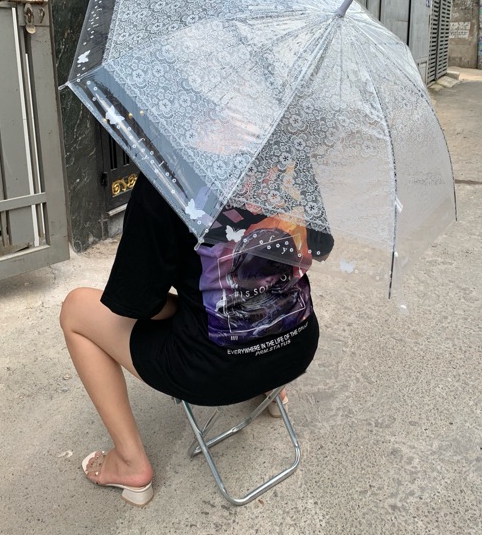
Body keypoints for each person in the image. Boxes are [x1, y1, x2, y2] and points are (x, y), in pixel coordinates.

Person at [59, 172, 333, 507]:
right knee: (266, 285)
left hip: (211, 373)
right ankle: (273, 391)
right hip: (297, 345)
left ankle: (130, 463)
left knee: (75, 310)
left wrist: (185, 307)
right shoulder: (283, 156)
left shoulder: (166, 175)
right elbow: (320, 246)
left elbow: (137, 302)